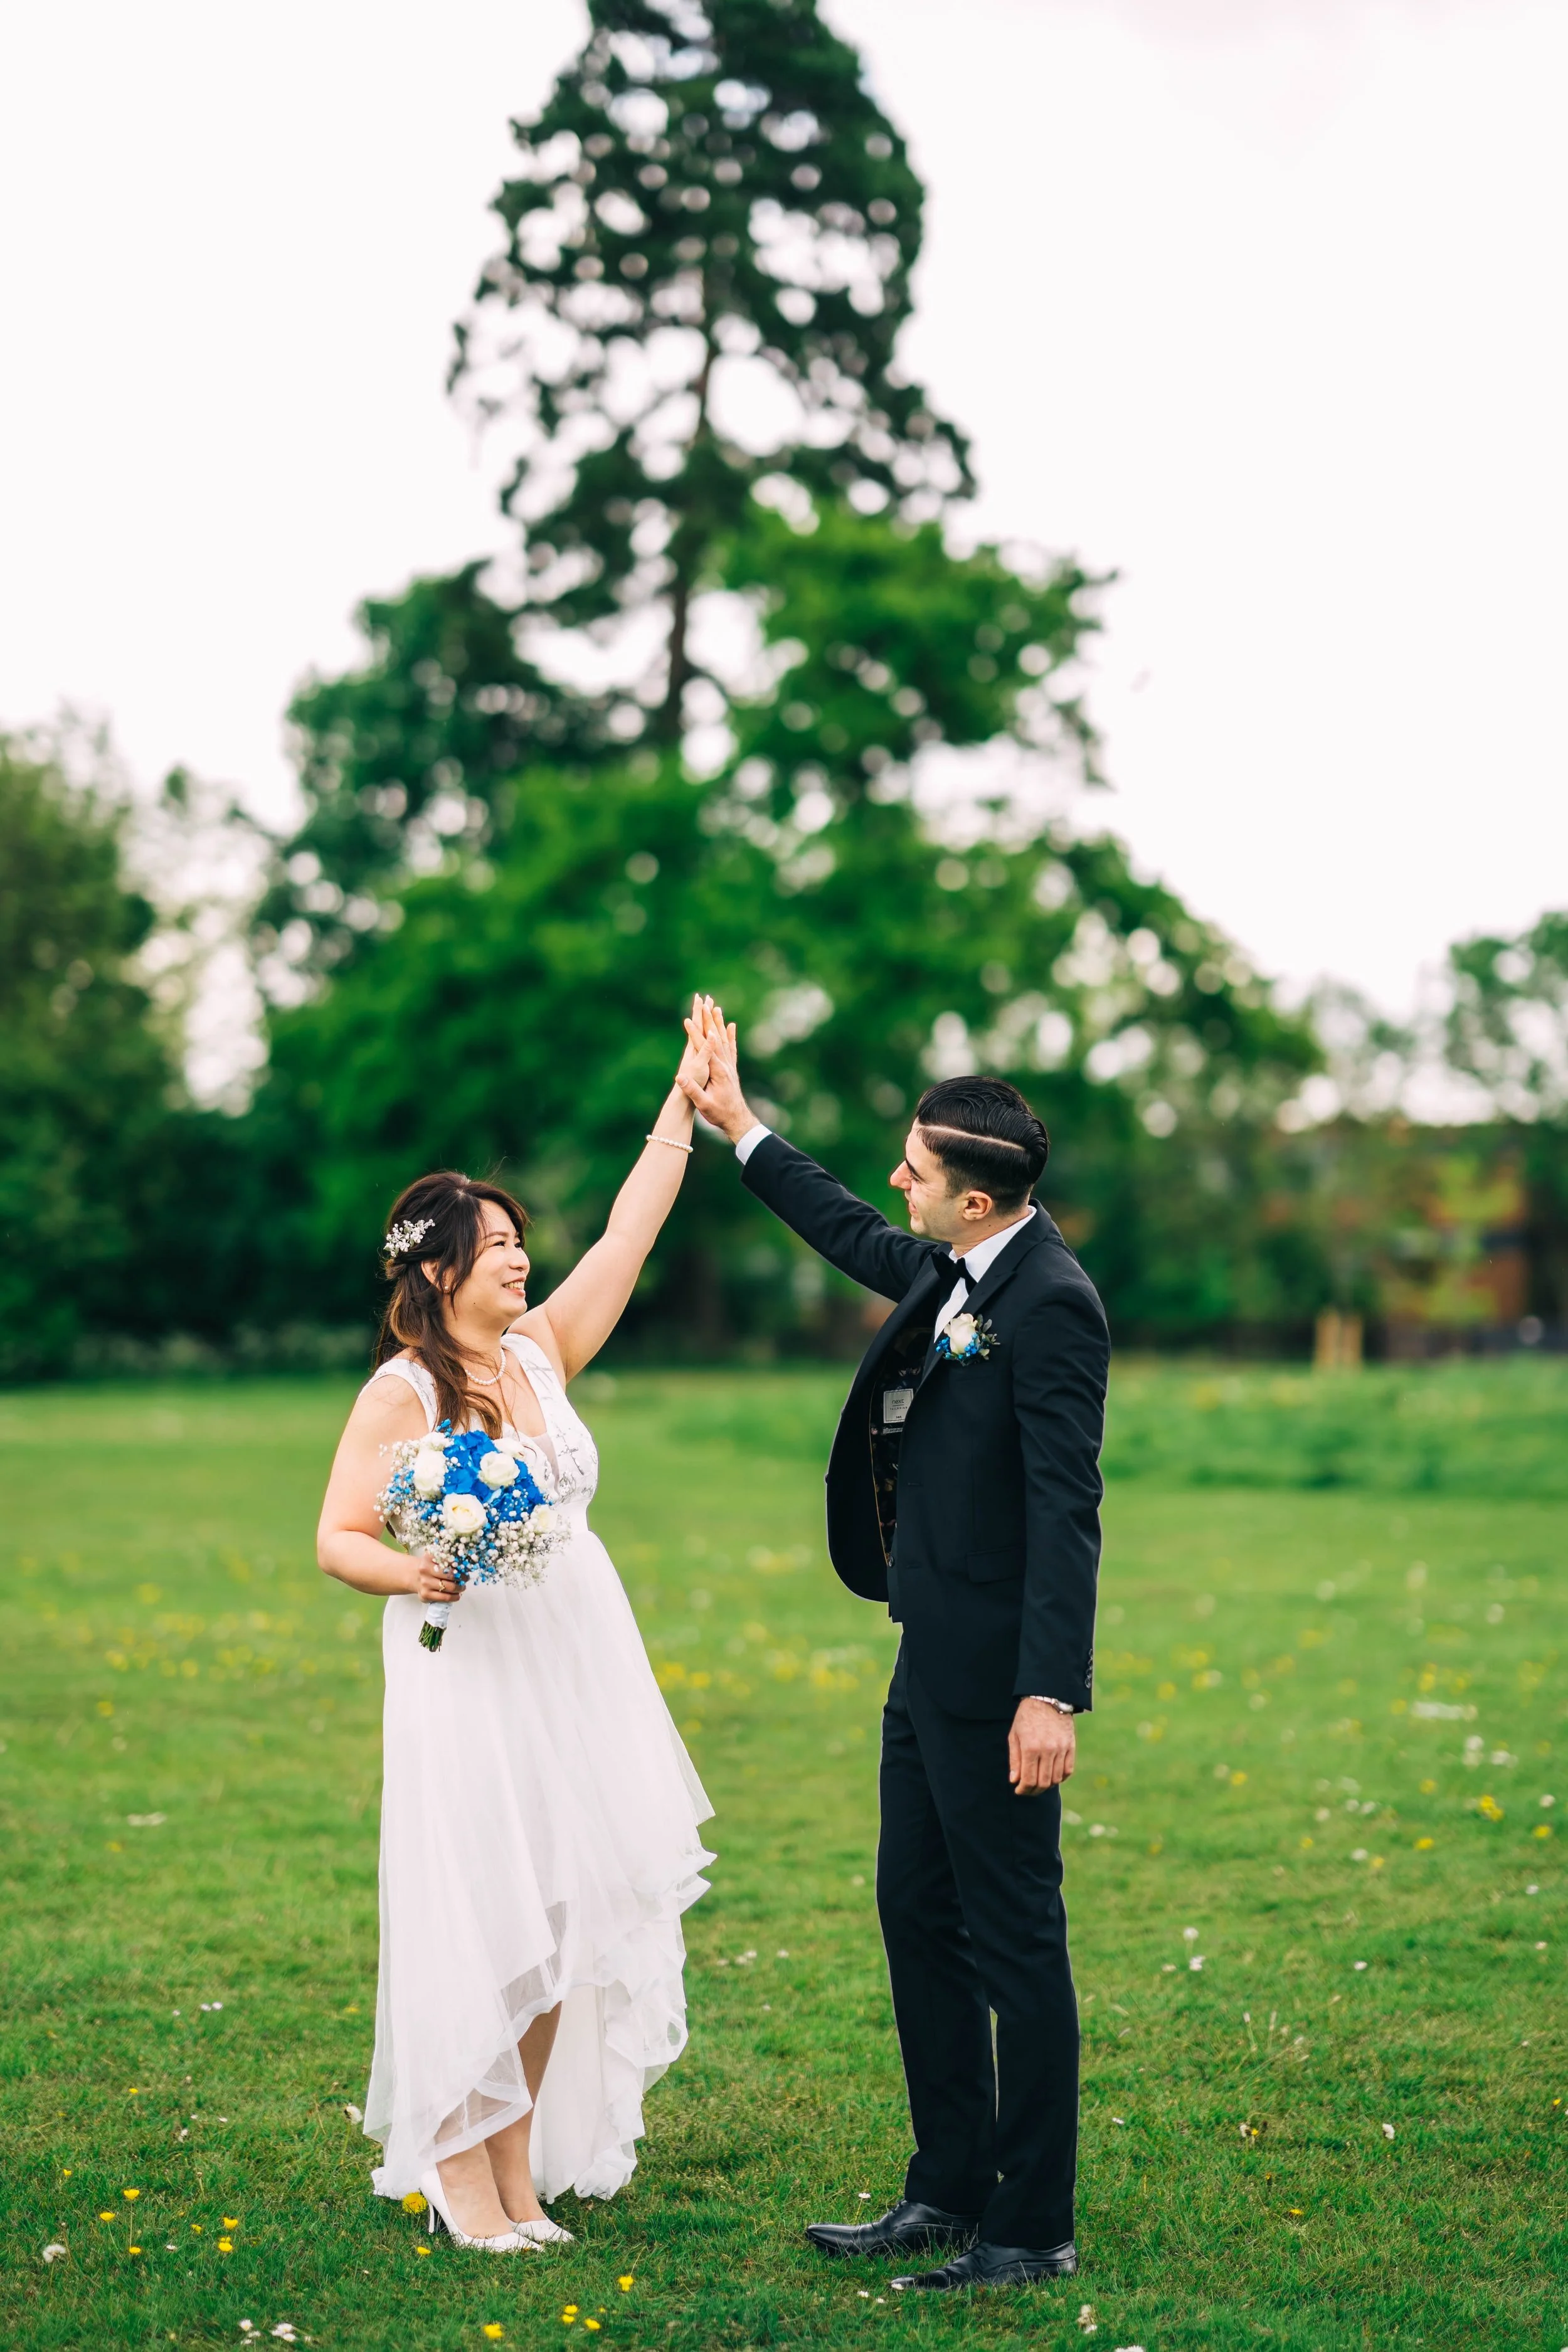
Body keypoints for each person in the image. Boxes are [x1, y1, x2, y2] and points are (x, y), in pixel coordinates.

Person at [680, 1003, 1108, 2293]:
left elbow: (1064, 1508)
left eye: (914, 1169)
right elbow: (850, 1231)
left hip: (998, 1682)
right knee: (913, 1913)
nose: (895, 1183)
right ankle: (946, 2187)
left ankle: (1028, 2230)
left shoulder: (1051, 1306)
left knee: (1014, 1938)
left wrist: (1049, 1692)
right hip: (924, 1660)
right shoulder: (952, 1267)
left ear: (975, 1202)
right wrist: (737, 1125)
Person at [315, 1008, 716, 2252]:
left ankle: (521, 2175)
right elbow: (335, 1536)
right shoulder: (404, 1392)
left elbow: (630, 1231)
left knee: (556, 1920)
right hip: (469, 1673)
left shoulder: (542, 1357)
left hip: (576, 1668)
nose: (517, 1262)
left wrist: (686, 1103)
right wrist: (411, 1573)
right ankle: (456, 2172)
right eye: (493, 1247)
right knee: (480, 1910)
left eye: (517, 1243)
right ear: (435, 1269)